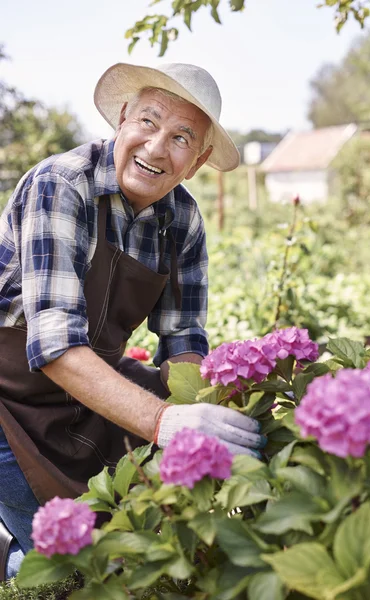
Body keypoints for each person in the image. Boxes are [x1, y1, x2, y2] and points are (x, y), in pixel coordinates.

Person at [0, 62, 266, 579]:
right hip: (8, 398)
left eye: (181, 137)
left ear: (198, 161)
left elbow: (184, 340)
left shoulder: (182, 220)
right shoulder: (63, 184)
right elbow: (53, 344)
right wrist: (166, 422)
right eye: (148, 121)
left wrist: (206, 410)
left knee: (112, 541)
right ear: (122, 120)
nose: (156, 147)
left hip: (86, 392)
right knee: (57, 561)